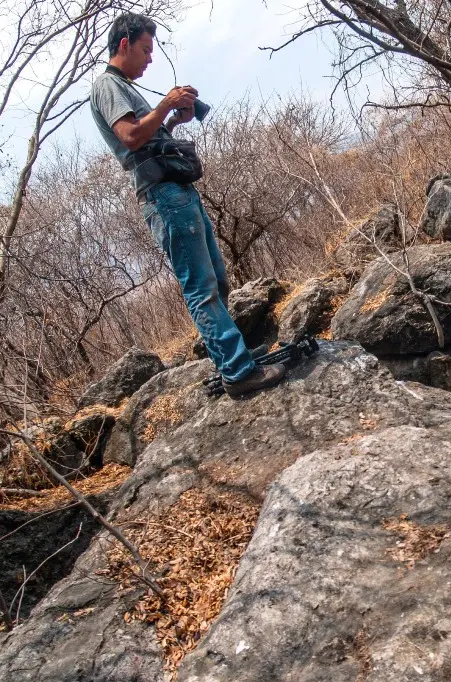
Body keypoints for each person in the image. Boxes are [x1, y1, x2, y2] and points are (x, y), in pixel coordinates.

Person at [89, 13, 286, 398]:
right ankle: (238, 373)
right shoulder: (106, 85)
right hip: (163, 195)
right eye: (145, 49)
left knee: (216, 278)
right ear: (124, 44)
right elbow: (130, 137)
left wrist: (174, 120)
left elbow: (149, 139)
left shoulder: (124, 87)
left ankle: (234, 357)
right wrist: (165, 104)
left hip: (177, 190)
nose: (150, 59)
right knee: (201, 286)